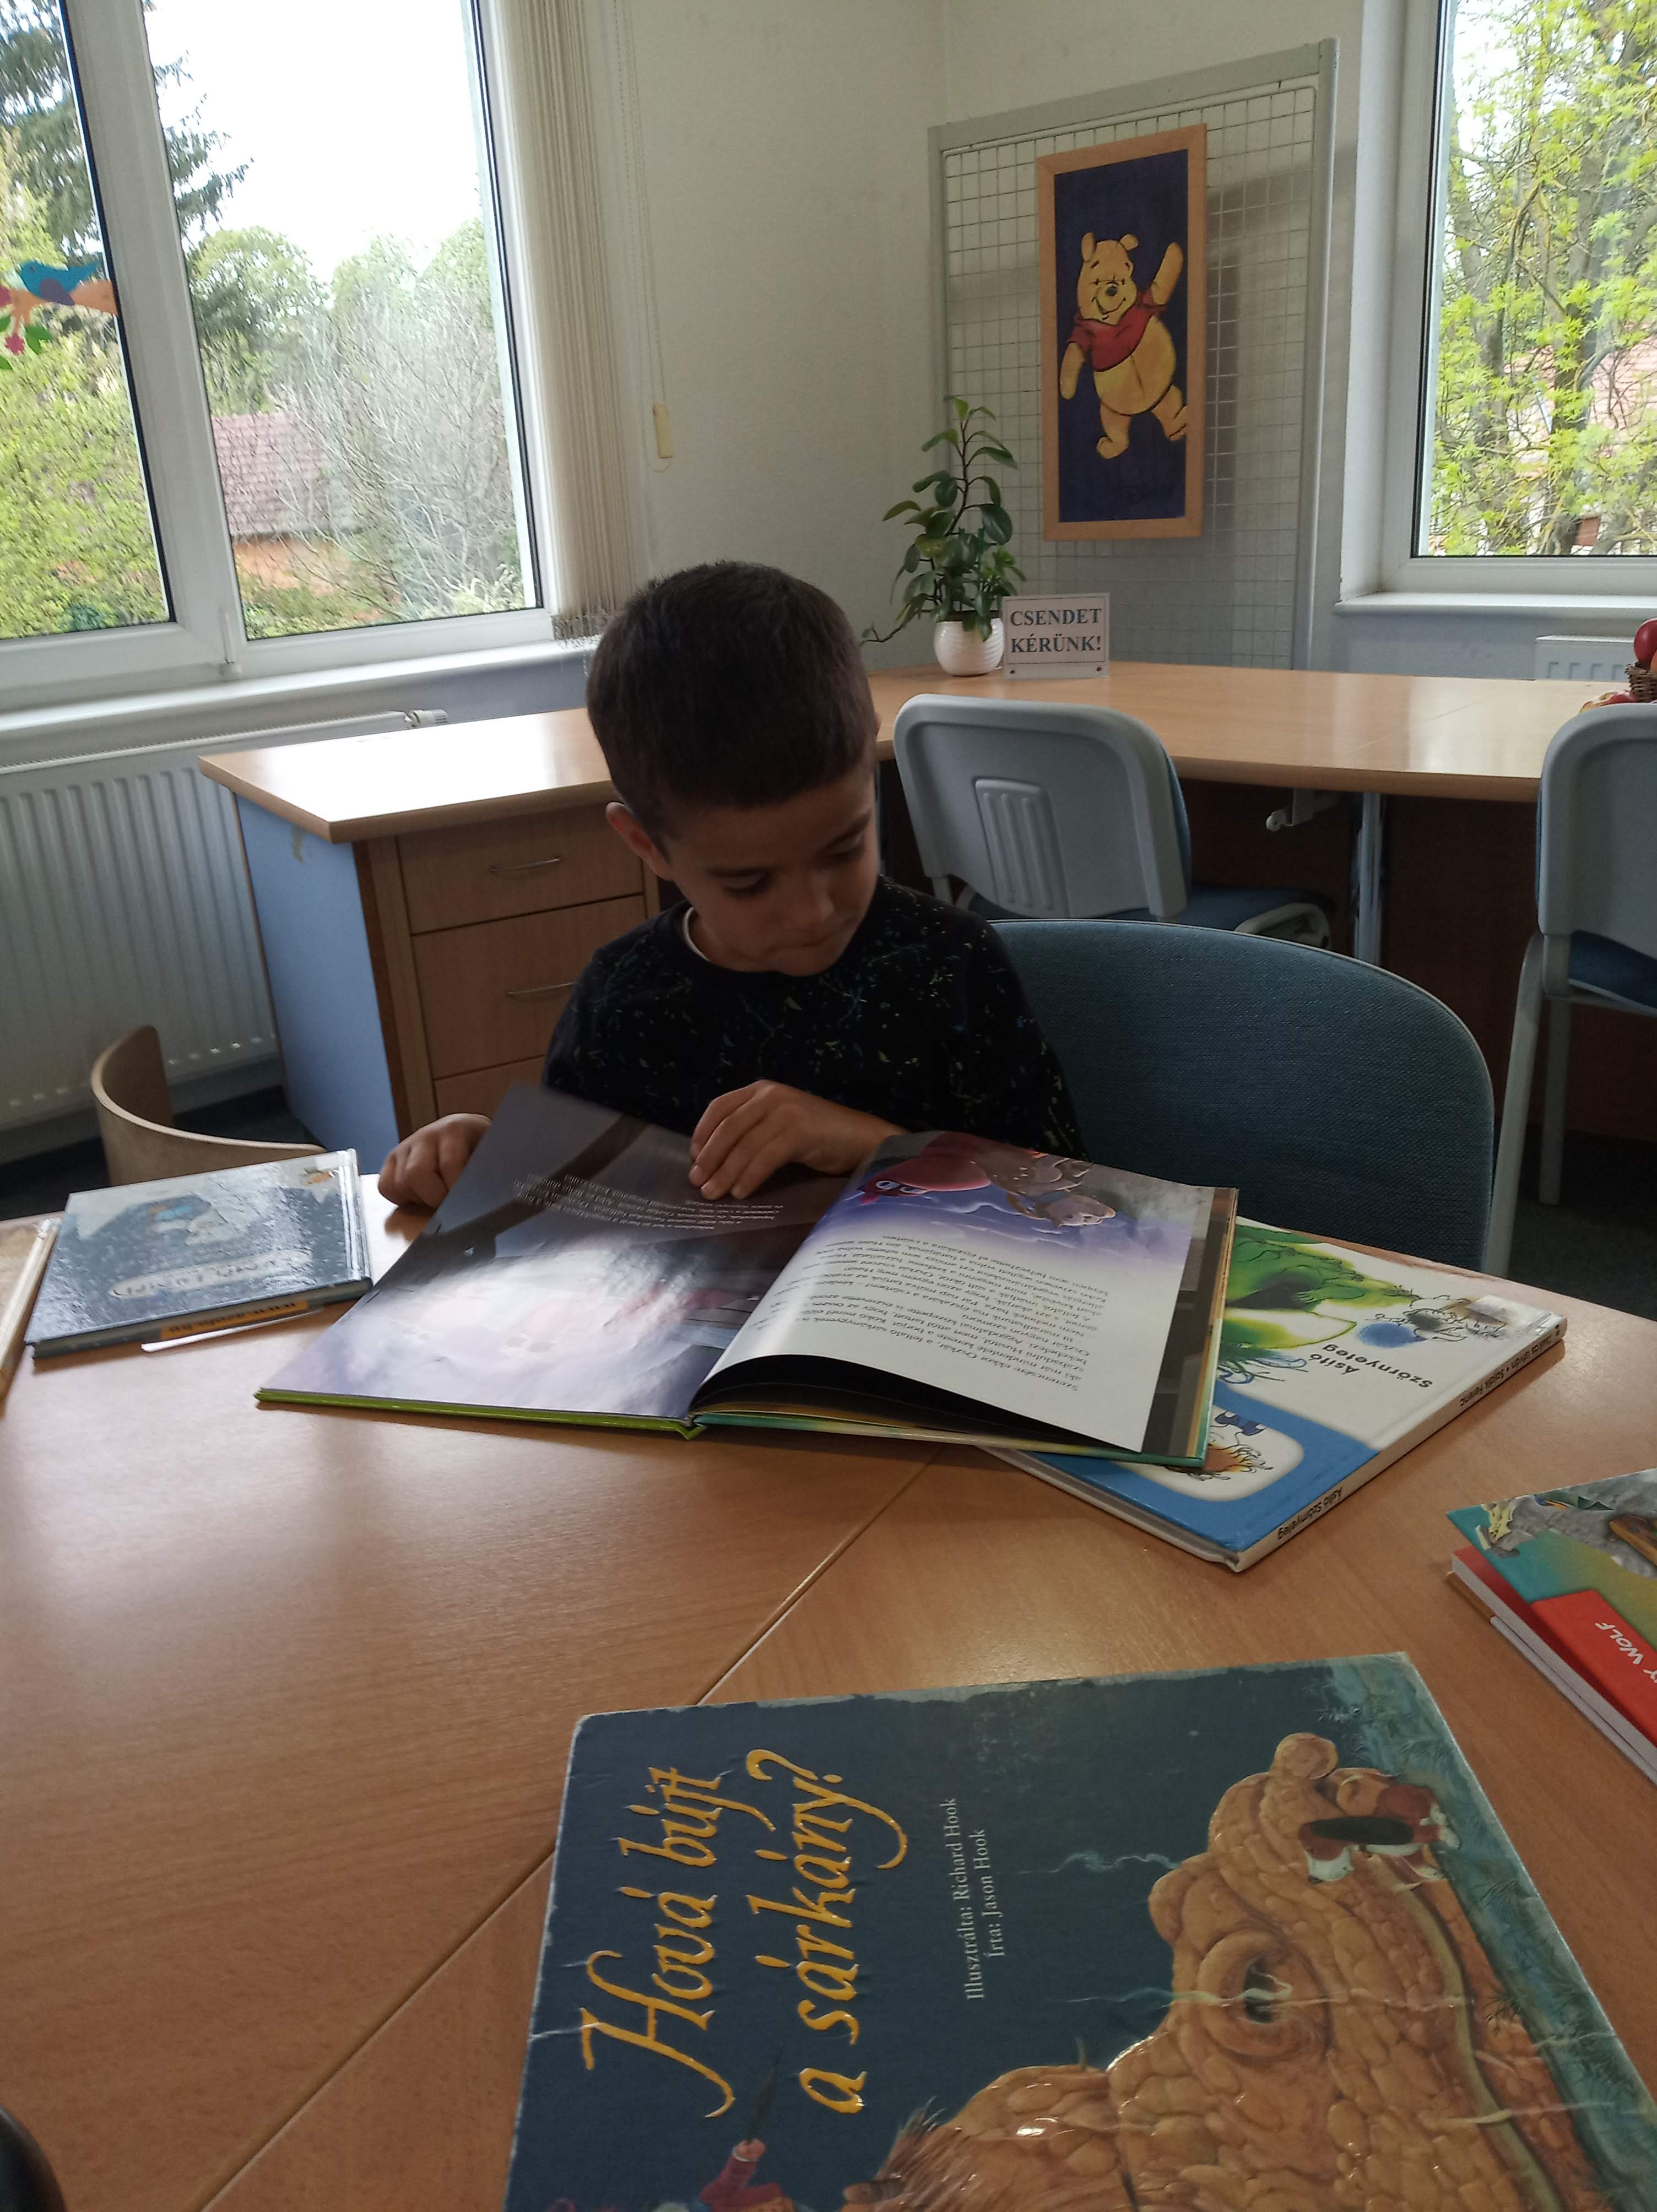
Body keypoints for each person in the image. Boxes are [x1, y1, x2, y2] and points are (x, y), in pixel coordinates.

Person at [379, 561, 1082, 1209]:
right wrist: (480, 1155)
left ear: (869, 772)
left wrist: (876, 1147)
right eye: (748, 883)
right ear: (646, 846)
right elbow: (574, 1202)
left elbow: (1065, 1195)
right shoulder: (620, 1002)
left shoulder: (951, 964)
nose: (811, 911)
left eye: (845, 848)